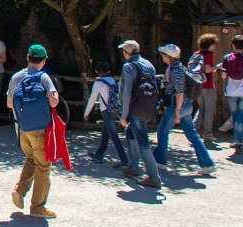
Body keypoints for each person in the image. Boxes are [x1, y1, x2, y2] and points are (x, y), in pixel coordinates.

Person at [7, 44, 59, 217]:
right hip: (40, 130)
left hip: (23, 129)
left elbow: (9, 103)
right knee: (44, 168)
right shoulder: (43, 77)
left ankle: (19, 190)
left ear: (28, 58)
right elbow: (53, 102)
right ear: (43, 61)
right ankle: (38, 207)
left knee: (31, 158)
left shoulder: (16, 77)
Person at [152, 44, 215, 175]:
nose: (162, 56)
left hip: (177, 105)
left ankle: (160, 161)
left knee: (162, 130)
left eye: (163, 54)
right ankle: (207, 163)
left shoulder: (175, 71)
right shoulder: (180, 67)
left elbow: (179, 91)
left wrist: (177, 111)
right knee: (192, 135)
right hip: (187, 105)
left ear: (168, 57)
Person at [117, 40, 163, 189]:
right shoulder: (148, 64)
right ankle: (133, 167)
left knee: (143, 143)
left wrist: (123, 114)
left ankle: (154, 177)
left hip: (136, 109)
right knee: (130, 133)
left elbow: (126, 91)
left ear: (126, 53)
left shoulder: (129, 66)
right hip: (149, 107)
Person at [83, 61, 129, 167]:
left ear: (97, 72)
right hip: (114, 110)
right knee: (105, 133)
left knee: (114, 135)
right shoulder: (113, 81)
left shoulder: (99, 83)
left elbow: (92, 99)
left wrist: (87, 113)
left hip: (106, 111)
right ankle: (99, 154)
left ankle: (124, 160)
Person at [218, 34, 243, 154]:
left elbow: (224, 76)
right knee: (242, 117)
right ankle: (239, 143)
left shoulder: (227, 57)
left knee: (235, 116)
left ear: (233, 45)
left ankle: (237, 140)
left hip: (231, 91)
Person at [188, 33, 219, 141]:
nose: (215, 46)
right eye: (214, 43)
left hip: (198, 85)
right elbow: (207, 69)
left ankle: (193, 129)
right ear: (210, 44)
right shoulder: (209, 54)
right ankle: (207, 134)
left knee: (201, 108)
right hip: (208, 85)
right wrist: (217, 67)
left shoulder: (196, 53)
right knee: (209, 110)